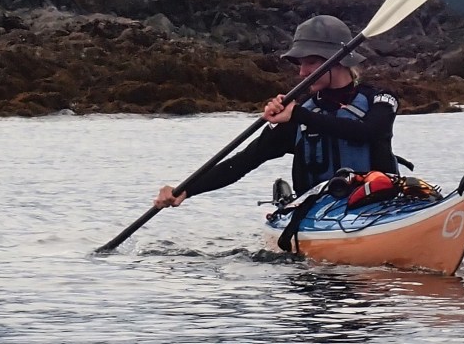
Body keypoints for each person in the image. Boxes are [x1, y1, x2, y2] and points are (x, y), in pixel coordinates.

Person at [154, 15, 401, 208]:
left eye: (311, 62)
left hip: (379, 205)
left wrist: (298, 115)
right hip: (318, 214)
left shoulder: (380, 99)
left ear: (339, 61)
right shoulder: (297, 115)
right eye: (300, 64)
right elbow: (242, 162)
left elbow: (369, 131)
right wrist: (186, 190)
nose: (302, 72)